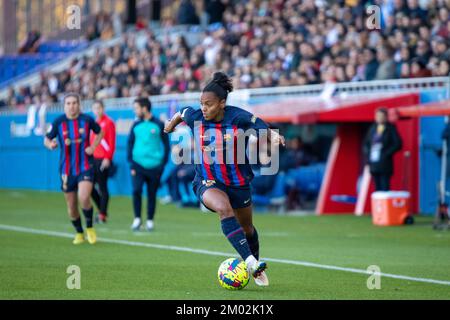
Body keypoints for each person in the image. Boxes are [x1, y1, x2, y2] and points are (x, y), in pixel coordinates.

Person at [163, 72, 285, 286]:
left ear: (222, 103)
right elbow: (183, 113)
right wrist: (172, 124)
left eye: (208, 104)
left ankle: (254, 262)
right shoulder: (196, 117)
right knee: (224, 209)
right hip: (207, 180)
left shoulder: (237, 117)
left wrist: (272, 135)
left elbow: (260, 125)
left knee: (247, 228)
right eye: (201, 103)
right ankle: (250, 262)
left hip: (238, 182)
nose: (203, 108)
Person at [44, 93, 104, 244]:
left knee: (84, 197)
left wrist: (93, 146)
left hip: (85, 166)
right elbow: (47, 138)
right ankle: (79, 233)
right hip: (66, 170)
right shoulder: (58, 122)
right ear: (64, 106)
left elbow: (100, 132)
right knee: (71, 206)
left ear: (79, 105)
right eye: (68, 103)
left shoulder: (87, 120)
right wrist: (50, 145)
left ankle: (90, 228)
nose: (71, 106)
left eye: (74, 103)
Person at [127, 97, 170, 231]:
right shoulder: (135, 125)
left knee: (152, 194)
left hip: (155, 166)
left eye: (137, 108)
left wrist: (162, 165)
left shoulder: (159, 124)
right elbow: (130, 144)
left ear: (144, 108)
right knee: (136, 190)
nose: (135, 111)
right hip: (138, 165)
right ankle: (137, 219)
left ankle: (150, 220)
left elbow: (166, 145)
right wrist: (132, 164)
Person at [363, 108, 402, 191]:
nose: (379, 118)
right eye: (377, 116)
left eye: (381, 116)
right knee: (377, 187)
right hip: (374, 163)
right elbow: (366, 143)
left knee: (384, 187)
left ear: (386, 117)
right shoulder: (373, 128)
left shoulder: (390, 128)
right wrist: (368, 153)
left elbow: (398, 144)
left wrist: (386, 154)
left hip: (385, 164)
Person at [90, 100, 116, 223]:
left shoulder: (108, 122)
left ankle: (102, 214)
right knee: (89, 186)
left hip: (103, 159)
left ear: (103, 108)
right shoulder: (94, 123)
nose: (97, 110)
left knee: (102, 187)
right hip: (93, 159)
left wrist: (108, 158)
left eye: (99, 108)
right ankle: (102, 211)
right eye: (95, 108)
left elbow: (111, 141)